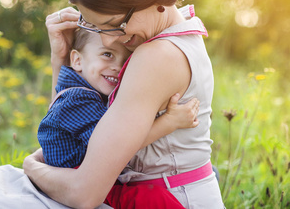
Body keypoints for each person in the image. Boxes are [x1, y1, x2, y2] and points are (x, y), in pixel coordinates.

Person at [23, 0, 225, 209]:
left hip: (165, 200)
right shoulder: (172, 34)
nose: (106, 42)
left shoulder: (157, 57)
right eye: (92, 26)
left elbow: (83, 193)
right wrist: (64, 58)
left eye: (111, 25)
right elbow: (66, 126)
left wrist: (31, 166)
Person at [38, 28, 200, 169]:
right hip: (78, 177)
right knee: (154, 200)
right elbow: (113, 145)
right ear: (77, 60)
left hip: (89, 172)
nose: (118, 67)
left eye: (126, 61)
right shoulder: (76, 99)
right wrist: (170, 121)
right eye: (107, 54)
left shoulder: (86, 89)